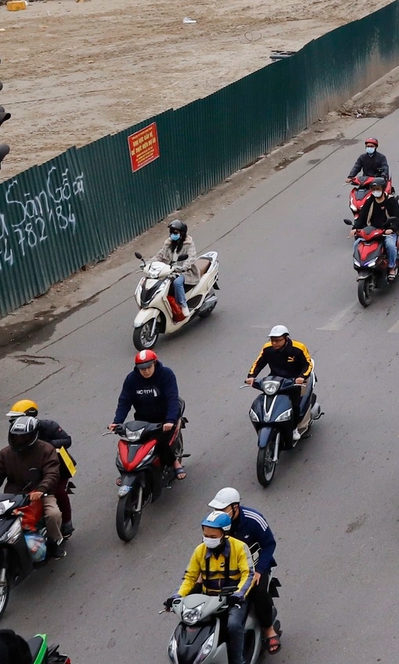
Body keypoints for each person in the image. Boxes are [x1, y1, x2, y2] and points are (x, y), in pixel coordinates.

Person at [167, 512, 255, 664]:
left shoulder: (240, 548)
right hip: (208, 601)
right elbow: (189, 577)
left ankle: (238, 661)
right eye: (205, 535)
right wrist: (176, 596)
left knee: (233, 625)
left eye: (213, 537)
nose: (208, 539)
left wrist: (238, 594)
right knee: (190, 624)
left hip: (233, 599)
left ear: (224, 534)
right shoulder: (199, 551)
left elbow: (248, 574)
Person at [0, 412, 64, 551]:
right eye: (16, 436)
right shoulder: (5, 453)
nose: (19, 439)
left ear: (33, 436)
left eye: (24, 436)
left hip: (40, 494)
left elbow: (51, 474)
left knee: (53, 514)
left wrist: (41, 490)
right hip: (12, 496)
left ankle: (53, 542)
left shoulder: (46, 450)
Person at [208, 489, 280, 653]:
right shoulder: (214, 524)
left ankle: (268, 629)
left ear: (235, 507)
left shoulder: (253, 519)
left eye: (223, 510)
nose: (219, 514)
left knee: (259, 592)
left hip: (255, 567)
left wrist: (259, 571)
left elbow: (269, 544)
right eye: (216, 510)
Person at [111, 348, 185, 480]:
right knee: (132, 442)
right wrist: (117, 422)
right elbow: (124, 402)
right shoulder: (132, 379)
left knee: (159, 440)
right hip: (143, 419)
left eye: (148, 367)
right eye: (142, 368)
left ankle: (174, 462)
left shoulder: (166, 374)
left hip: (164, 418)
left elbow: (172, 398)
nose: (146, 371)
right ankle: (129, 469)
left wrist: (170, 420)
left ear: (155, 363)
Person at [6, 400, 75, 533]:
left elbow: (67, 440)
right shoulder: (16, 432)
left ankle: (67, 523)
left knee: (59, 493)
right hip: (34, 468)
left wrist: (44, 446)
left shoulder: (49, 426)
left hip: (59, 467)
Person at [244, 326, 313, 426]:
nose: (274, 343)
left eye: (277, 340)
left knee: (294, 404)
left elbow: (308, 364)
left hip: (293, 380)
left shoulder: (298, 348)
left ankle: (294, 428)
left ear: (286, 338)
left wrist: (302, 377)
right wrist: (251, 376)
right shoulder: (267, 348)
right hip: (275, 379)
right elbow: (258, 363)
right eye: (272, 340)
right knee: (266, 399)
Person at [154, 219, 203, 324]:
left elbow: (191, 257)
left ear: (182, 233)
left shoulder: (188, 243)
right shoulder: (168, 243)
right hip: (169, 271)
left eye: (175, 232)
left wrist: (184, 267)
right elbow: (160, 255)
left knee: (177, 282)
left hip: (186, 272)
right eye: (172, 232)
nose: (173, 235)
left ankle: (183, 305)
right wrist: (148, 264)